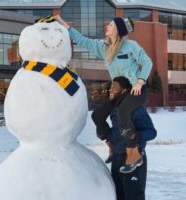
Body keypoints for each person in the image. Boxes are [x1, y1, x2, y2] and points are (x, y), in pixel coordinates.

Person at [54, 15, 153, 173]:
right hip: (120, 92)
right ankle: (111, 146)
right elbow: (83, 40)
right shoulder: (103, 48)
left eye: (111, 25)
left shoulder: (130, 46)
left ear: (118, 30)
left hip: (136, 89)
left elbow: (147, 62)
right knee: (97, 115)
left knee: (122, 113)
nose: (108, 26)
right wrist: (64, 24)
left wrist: (140, 81)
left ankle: (133, 152)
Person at [100, 76, 156, 200]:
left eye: (114, 87)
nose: (110, 89)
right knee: (118, 195)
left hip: (134, 160)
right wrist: (108, 137)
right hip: (117, 159)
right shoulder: (114, 109)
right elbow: (117, 131)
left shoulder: (137, 109)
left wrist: (136, 136)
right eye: (110, 87)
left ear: (124, 90)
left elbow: (151, 132)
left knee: (133, 196)